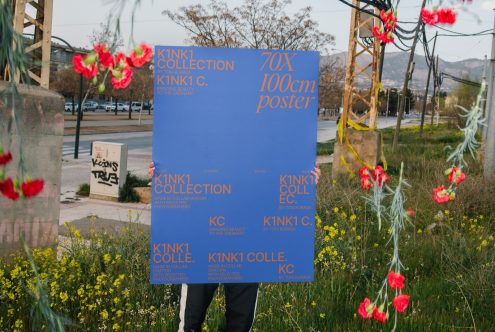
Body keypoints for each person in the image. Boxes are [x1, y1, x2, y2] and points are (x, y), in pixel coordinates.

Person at [148, 162, 320, 332]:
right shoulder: (197, 140)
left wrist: (303, 179)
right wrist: (162, 172)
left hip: (247, 242)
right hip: (201, 240)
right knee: (189, 325)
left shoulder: (263, 142)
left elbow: (273, 174)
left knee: (240, 325)